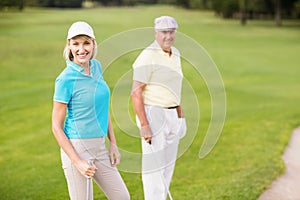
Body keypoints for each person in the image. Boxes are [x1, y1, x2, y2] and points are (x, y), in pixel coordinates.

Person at [51, 21, 130, 200]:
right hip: (77, 149)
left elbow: (101, 108)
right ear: (69, 45)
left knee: (122, 197)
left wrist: (114, 144)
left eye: (86, 43)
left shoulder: (96, 67)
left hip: (100, 147)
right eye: (76, 43)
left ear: (93, 44)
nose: (81, 49)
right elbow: (56, 126)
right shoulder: (64, 80)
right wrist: (77, 162)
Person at [131, 16, 187, 200]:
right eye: (164, 32)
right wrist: (145, 125)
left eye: (171, 32)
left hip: (173, 114)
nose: (168, 36)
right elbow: (136, 93)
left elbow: (175, 87)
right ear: (156, 33)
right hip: (154, 114)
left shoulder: (175, 53)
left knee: (167, 167)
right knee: (154, 171)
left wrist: (180, 114)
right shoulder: (147, 56)